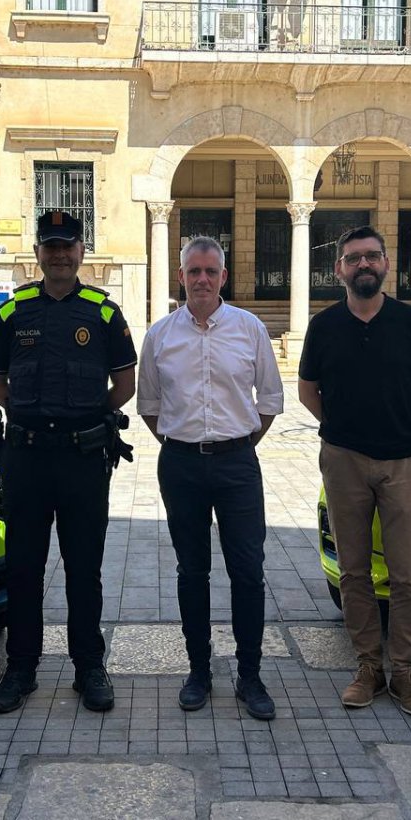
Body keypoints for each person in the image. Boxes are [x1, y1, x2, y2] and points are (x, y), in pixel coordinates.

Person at [0, 210, 137, 713]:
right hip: (25, 457)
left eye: (68, 246)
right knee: (24, 568)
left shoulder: (104, 314)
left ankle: (89, 667)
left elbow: (126, 386)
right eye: (51, 246)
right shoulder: (12, 313)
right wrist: (33, 416)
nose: (60, 255)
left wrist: (86, 418)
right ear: (38, 254)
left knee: (84, 567)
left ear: (81, 253)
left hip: (82, 459)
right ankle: (20, 669)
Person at [297, 227, 411, 717]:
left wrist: (403, 425)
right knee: (354, 571)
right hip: (343, 461)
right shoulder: (324, 327)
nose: (363, 264)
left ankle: (404, 671)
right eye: (353, 258)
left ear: (386, 265)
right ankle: (368, 666)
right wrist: (342, 428)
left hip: (404, 461)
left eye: (372, 256)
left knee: (407, 574)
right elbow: (307, 391)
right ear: (339, 270)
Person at [138, 236, 284, 721]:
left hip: (238, 464)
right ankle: (198, 672)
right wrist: (184, 446)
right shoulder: (160, 336)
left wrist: (236, 445)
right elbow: (150, 404)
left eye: (211, 271)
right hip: (180, 465)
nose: (202, 279)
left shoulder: (250, 329)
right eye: (193, 271)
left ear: (224, 277)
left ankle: (250, 675)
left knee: (247, 571)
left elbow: (269, 398)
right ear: (180, 276)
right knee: (191, 571)